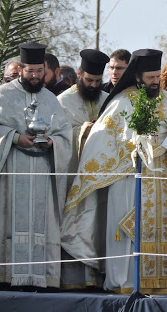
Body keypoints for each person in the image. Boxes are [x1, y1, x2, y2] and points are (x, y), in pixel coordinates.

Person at [61, 49, 167, 293]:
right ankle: (126, 281)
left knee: (164, 229)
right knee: (128, 231)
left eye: (157, 76)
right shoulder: (122, 102)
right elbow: (101, 143)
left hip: (164, 179)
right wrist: (134, 143)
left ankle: (166, 281)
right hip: (128, 178)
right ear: (139, 77)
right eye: (150, 77)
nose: (155, 81)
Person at [0, 42, 72, 288]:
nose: (36, 76)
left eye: (40, 71)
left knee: (42, 226)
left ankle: (40, 279)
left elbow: (65, 134)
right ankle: (4, 277)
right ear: (21, 70)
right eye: (31, 71)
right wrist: (16, 138)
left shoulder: (51, 99)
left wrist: (52, 142)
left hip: (41, 173)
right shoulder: (2, 94)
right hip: (11, 171)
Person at [57, 49, 109, 289]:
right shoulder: (63, 101)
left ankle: (96, 278)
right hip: (72, 175)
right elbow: (58, 136)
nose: (94, 85)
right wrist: (84, 131)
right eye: (89, 80)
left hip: (98, 178)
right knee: (75, 224)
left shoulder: (106, 100)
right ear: (79, 74)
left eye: (98, 81)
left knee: (96, 224)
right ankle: (73, 280)